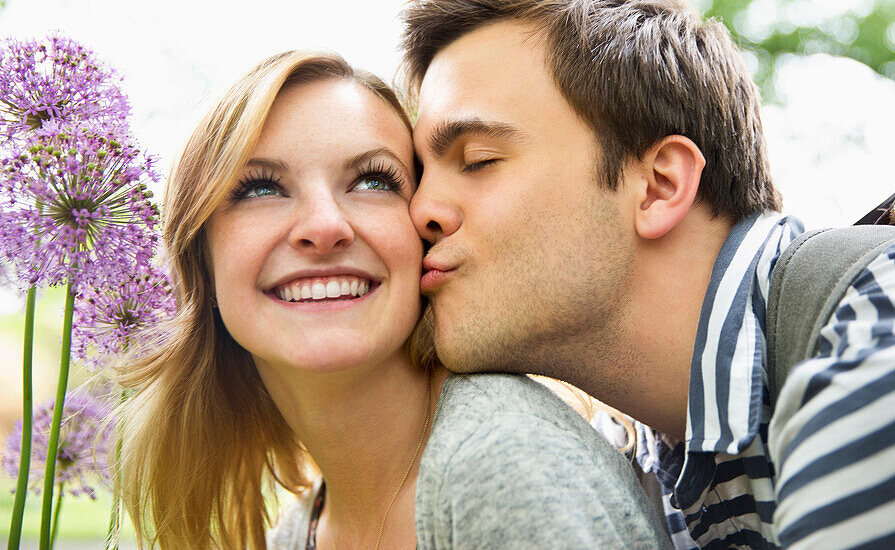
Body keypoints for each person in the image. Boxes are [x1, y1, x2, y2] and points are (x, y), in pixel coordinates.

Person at [400, 0, 895, 549]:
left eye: (479, 159)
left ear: (659, 185)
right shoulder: (672, 467)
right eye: (415, 174)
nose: (419, 210)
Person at [114, 49, 673, 549]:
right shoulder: (298, 533)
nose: (325, 226)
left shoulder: (504, 464)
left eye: (373, 181)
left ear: (425, 235)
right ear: (202, 262)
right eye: (260, 188)